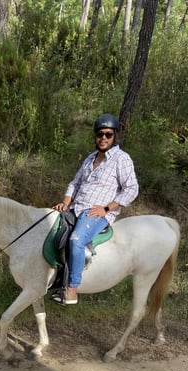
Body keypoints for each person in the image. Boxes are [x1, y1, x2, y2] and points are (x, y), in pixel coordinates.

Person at [51, 113, 139, 305]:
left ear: (115, 135)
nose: (103, 138)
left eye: (108, 134)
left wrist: (107, 208)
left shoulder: (121, 159)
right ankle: (54, 278)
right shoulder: (90, 158)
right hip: (76, 207)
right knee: (52, 230)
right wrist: (66, 201)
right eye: (100, 134)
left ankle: (72, 289)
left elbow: (132, 189)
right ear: (95, 136)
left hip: (96, 213)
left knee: (76, 240)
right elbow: (75, 183)